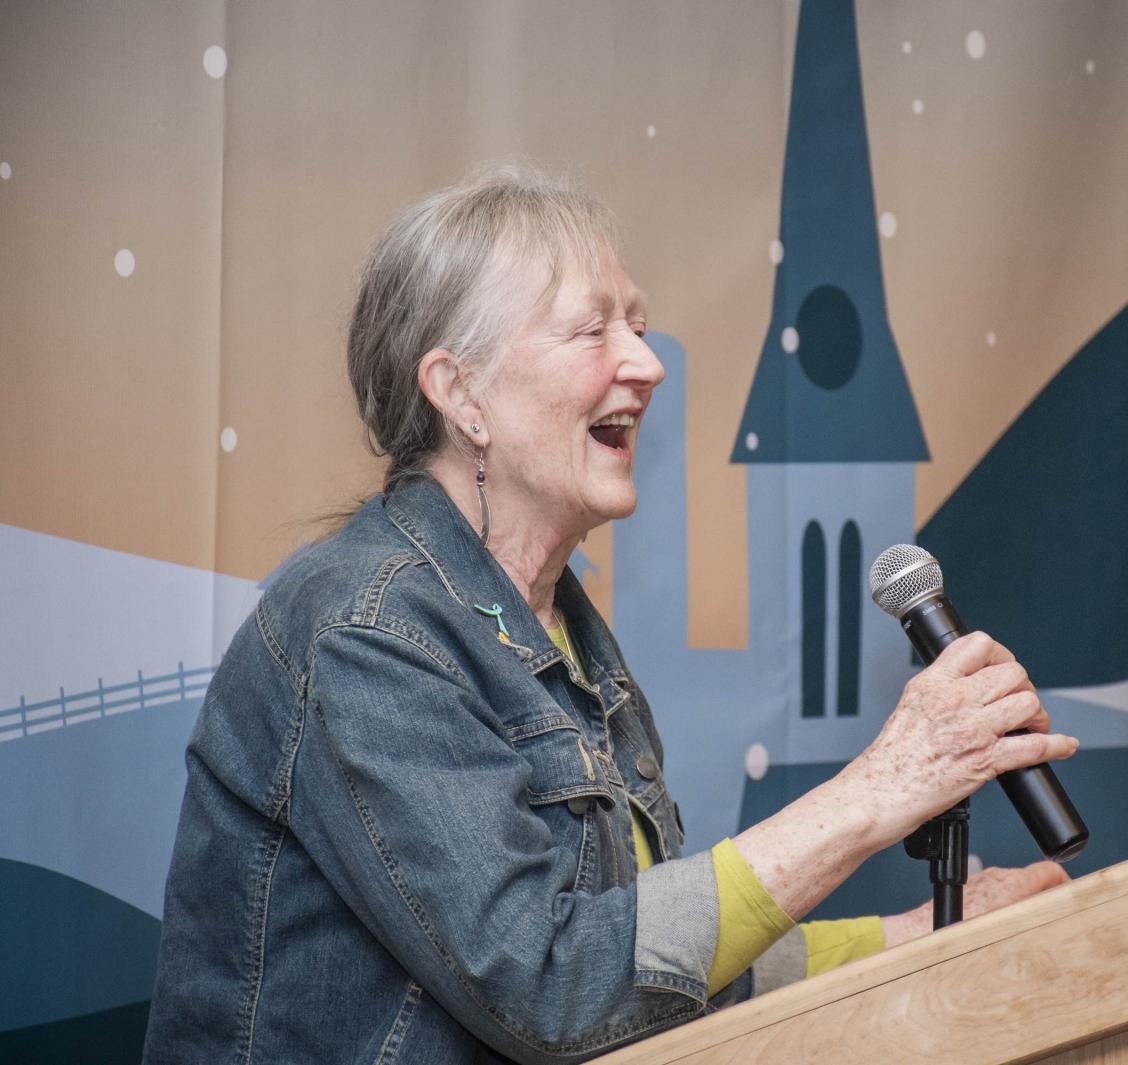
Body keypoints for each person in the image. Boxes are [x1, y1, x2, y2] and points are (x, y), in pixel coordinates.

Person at [142, 164, 1078, 1064]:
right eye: (592, 332)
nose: (645, 363)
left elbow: (644, 975)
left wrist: (900, 940)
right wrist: (879, 790)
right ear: (461, 393)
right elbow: (548, 984)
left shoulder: (562, 628)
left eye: (638, 325)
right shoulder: (364, 630)